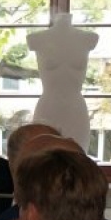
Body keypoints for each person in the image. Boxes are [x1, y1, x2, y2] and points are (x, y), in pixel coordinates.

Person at [28, 12, 98, 148]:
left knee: (77, 159)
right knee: (43, 159)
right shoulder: (38, 38)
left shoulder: (87, 38)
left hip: (76, 109)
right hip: (48, 108)